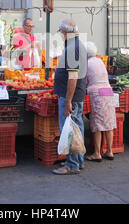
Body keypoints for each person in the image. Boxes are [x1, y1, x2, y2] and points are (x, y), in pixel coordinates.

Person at [52, 19, 88, 175]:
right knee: (76, 128)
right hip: (76, 95)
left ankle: (72, 165)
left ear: (65, 32)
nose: (60, 34)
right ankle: (78, 161)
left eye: (60, 31)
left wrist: (67, 101)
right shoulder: (78, 45)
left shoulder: (73, 48)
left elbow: (73, 77)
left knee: (70, 130)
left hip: (72, 97)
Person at [84, 42, 116, 162]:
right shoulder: (99, 61)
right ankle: (110, 151)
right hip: (107, 91)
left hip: (97, 93)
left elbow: (84, 80)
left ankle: (97, 153)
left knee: (97, 123)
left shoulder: (86, 63)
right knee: (108, 122)